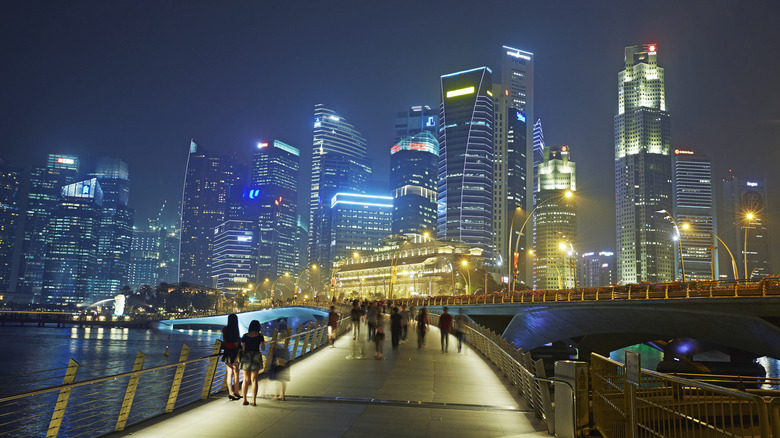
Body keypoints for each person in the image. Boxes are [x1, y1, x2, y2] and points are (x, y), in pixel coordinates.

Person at [239, 320, 265, 406]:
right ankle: (253, 401)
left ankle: (245, 400)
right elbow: (263, 348)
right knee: (254, 380)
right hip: (256, 357)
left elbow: (243, 349)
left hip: (246, 357)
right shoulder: (260, 336)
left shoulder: (245, 336)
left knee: (245, 380)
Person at [221, 313, 242, 400]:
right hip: (234, 352)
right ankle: (236, 391)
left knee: (229, 374)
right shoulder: (236, 331)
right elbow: (237, 344)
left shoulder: (225, 329)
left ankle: (230, 393)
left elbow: (225, 340)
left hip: (227, 352)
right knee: (236, 373)